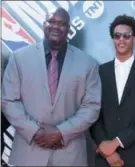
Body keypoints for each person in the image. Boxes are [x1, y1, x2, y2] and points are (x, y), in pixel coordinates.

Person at [2, 7, 101, 166]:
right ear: (43, 24)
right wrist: (35, 131)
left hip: (69, 155)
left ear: (68, 28)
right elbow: (8, 101)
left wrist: (61, 132)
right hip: (29, 154)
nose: (55, 26)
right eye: (51, 21)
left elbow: (92, 106)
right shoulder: (19, 58)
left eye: (62, 23)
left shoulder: (88, 63)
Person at [90, 15, 135, 167]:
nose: (121, 39)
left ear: (134, 39)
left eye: (126, 35)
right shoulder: (99, 72)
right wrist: (107, 149)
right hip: (104, 158)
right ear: (113, 39)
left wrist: (116, 142)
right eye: (117, 36)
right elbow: (93, 113)